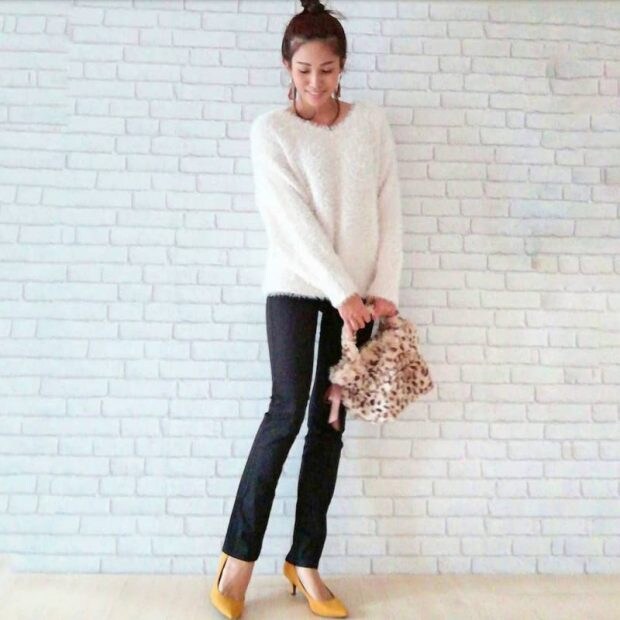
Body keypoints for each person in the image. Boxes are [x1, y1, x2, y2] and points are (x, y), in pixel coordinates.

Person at [210, 1, 403, 618]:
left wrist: (384, 287)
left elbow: (389, 206)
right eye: (303, 70)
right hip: (297, 291)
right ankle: (238, 560)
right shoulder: (271, 131)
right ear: (286, 68)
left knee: (331, 425)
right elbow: (289, 221)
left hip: (360, 302)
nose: (315, 82)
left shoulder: (371, 124)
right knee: (287, 412)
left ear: (342, 67)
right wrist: (341, 289)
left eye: (326, 69)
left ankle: (305, 561)